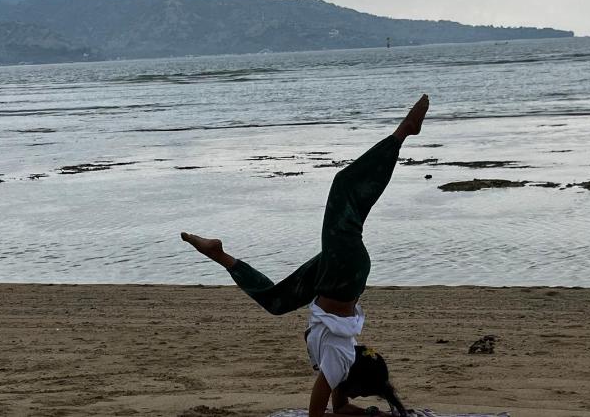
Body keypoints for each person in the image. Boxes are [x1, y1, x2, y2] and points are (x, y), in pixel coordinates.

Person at [181, 94, 430, 417]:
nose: (346, 395)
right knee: (344, 187)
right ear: (352, 378)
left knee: (276, 301)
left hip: (335, 278)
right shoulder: (338, 361)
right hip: (342, 274)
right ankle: (403, 132)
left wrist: (375, 415)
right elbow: (316, 414)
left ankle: (219, 254)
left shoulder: (341, 364)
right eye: (353, 391)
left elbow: (339, 409)